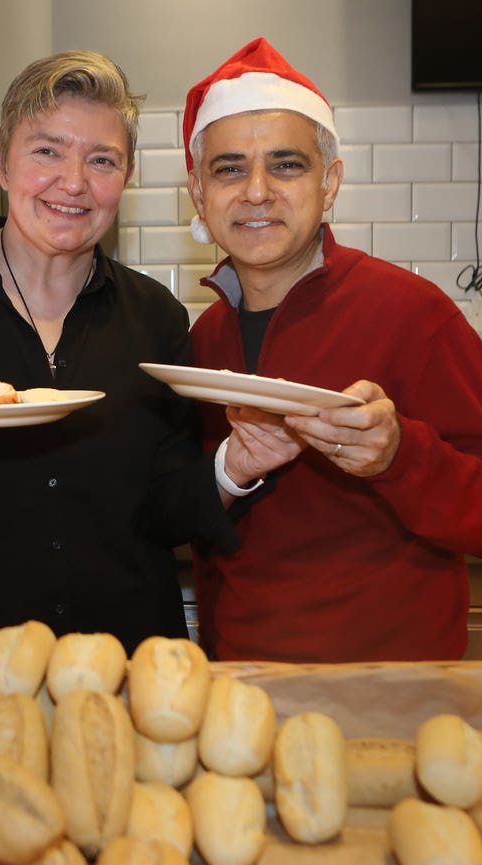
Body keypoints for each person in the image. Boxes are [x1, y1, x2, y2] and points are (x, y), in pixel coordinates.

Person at [0, 50, 273, 655]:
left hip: (121, 668)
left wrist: (236, 466)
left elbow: (168, 509)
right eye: (47, 151)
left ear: (124, 179)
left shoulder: (156, 318)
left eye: (102, 160)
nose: (73, 182)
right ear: (1, 161)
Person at [183, 37, 482, 663]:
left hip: (390, 691)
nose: (256, 191)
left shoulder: (413, 315)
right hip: (242, 683)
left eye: (286, 165)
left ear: (330, 182)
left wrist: (399, 456)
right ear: (198, 192)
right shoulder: (204, 340)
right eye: (229, 167)